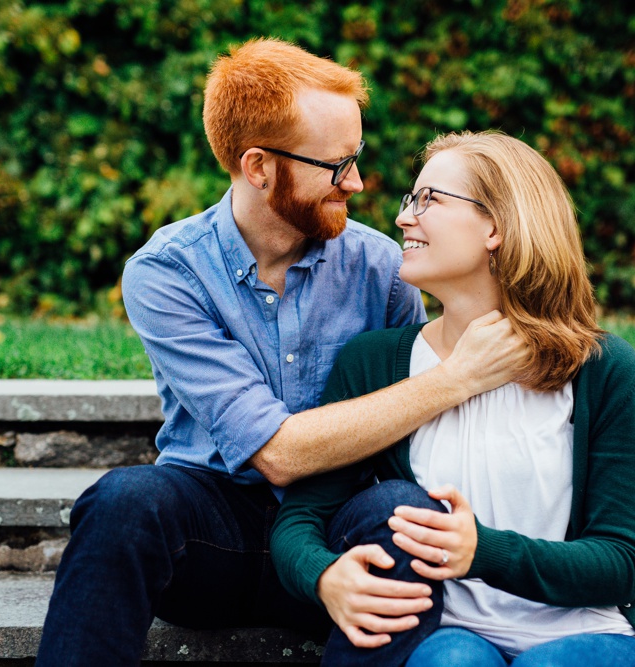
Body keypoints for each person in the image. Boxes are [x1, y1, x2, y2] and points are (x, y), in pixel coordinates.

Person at [36, 41, 528, 667]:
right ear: (259, 167)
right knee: (122, 503)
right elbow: (277, 452)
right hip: (211, 533)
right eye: (335, 164)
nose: (357, 181)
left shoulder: (381, 265)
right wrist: (457, 378)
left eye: (358, 157)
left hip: (336, 530)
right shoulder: (168, 272)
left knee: (402, 512)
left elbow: (412, 434)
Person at [271, 130, 635, 667]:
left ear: (496, 226)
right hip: (448, 632)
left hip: (586, 631)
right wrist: (323, 576)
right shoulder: (373, 362)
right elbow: (301, 519)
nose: (403, 218)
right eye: (409, 200)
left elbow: (621, 560)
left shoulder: (602, 370)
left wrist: (482, 551)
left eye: (429, 200)